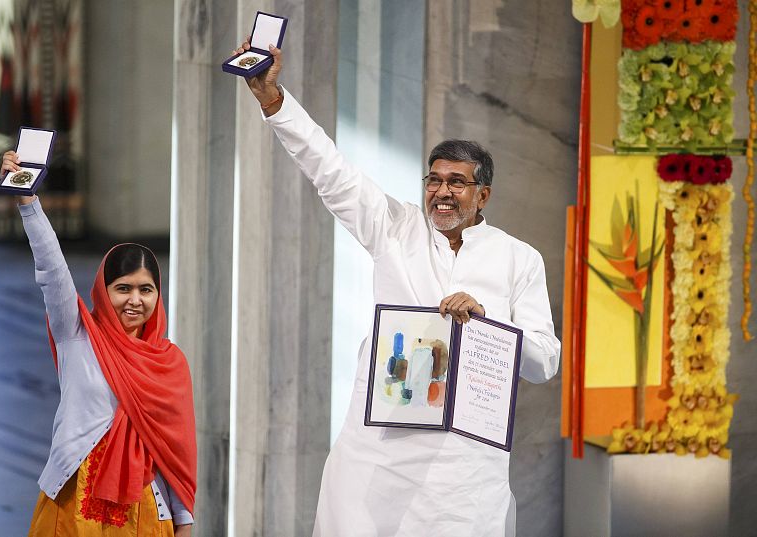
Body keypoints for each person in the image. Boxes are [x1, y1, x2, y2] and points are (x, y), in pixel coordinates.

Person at [233, 39, 561, 536]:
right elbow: (329, 170)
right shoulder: (395, 227)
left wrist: (486, 323)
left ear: (483, 194)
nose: (442, 192)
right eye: (434, 180)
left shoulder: (519, 258)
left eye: (457, 182)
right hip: (380, 449)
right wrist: (273, 101)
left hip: (464, 465)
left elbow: (543, 362)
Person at [0, 153, 197, 537]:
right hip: (73, 506)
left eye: (146, 289)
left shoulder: (170, 364)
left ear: (159, 295)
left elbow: (176, 456)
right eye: (122, 289)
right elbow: (52, 269)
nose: (134, 300)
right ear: (104, 293)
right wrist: (28, 202)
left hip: (145, 516)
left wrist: (184, 524)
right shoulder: (77, 335)